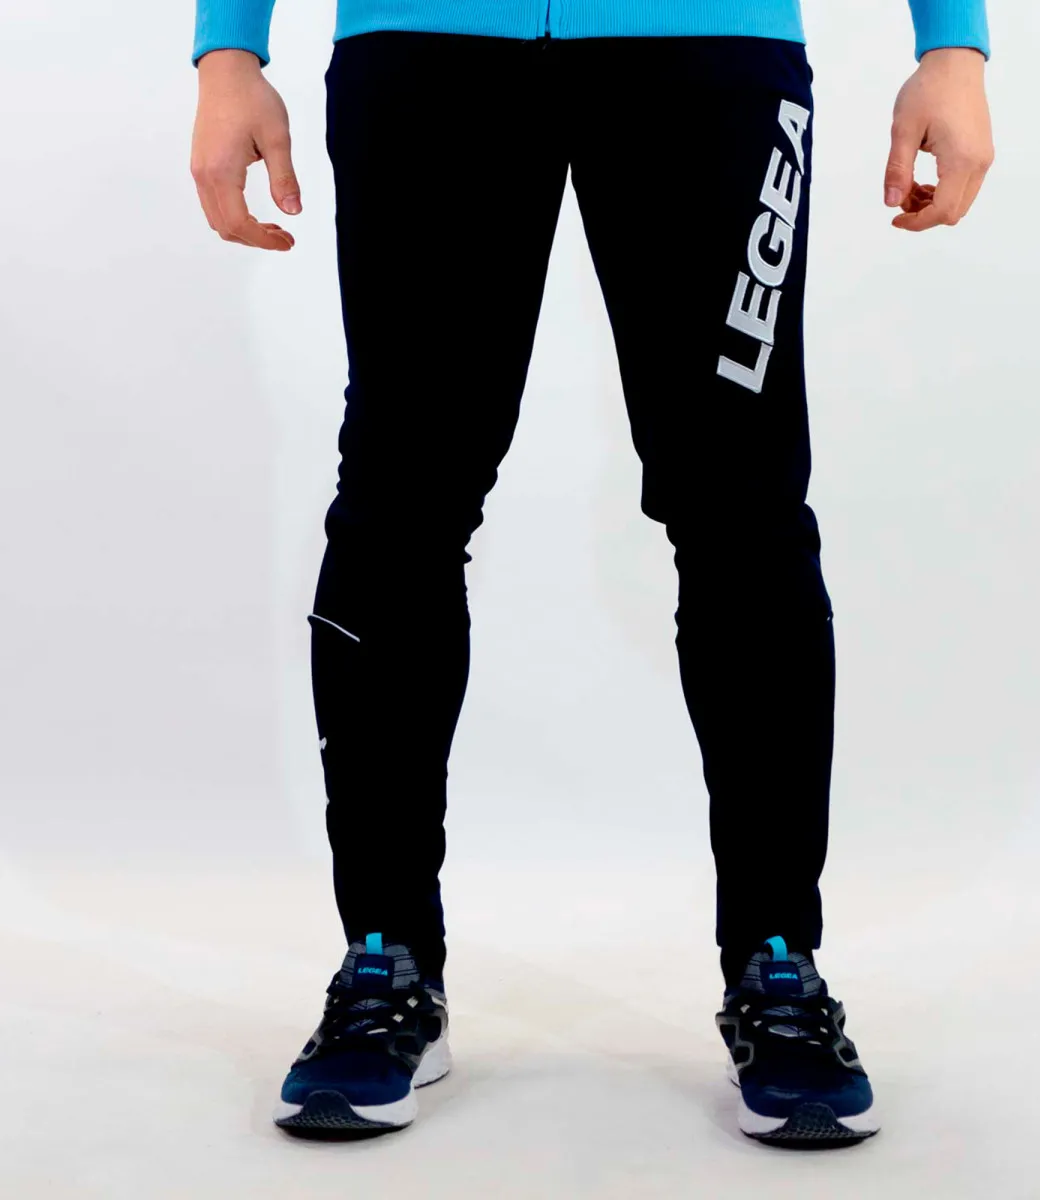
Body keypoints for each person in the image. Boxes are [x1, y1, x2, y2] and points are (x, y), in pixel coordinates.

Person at [190, 0, 992, 1149]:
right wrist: (229, 47)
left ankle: (777, 962)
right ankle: (385, 959)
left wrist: (951, 41)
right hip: (426, 46)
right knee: (399, 504)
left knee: (742, 508)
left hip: (709, 45)